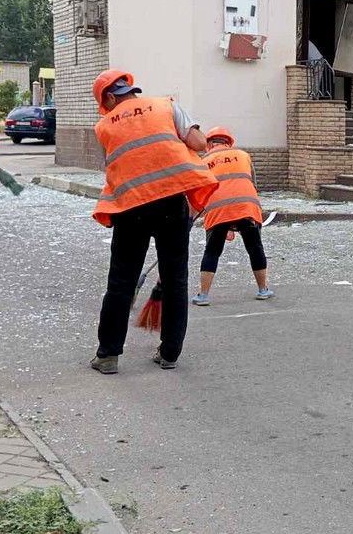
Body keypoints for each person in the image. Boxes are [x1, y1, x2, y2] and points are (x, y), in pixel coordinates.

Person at [88, 69, 218, 375]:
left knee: (121, 282)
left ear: (109, 97)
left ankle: (108, 356)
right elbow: (199, 142)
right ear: (129, 89)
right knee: (175, 280)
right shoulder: (165, 105)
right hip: (171, 202)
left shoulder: (104, 126)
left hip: (131, 207)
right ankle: (169, 353)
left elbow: (115, 166)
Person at [192, 126, 273, 306]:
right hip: (247, 207)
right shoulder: (243, 155)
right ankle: (263, 290)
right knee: (255, 248)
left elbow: (199, 191)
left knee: (212, 251)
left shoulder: (204, 160)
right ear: (228, 142)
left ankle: (203, 295)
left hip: (218, 210)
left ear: (209, 144)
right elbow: (252, 182)